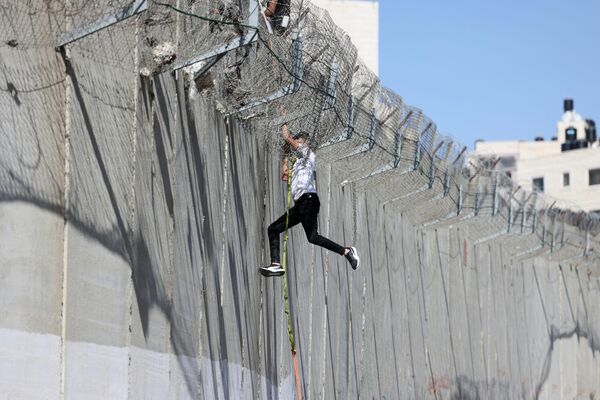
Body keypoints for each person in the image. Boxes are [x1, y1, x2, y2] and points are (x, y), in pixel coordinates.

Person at [259, 124, 360, 277]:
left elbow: (287, 137)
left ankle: (276, 264)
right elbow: (284, 176)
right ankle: (346, 252)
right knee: (303, 235)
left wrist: (283, 120)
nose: (296, 143)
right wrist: (285, 157)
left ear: (304, 142)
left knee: (279, 229)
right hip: (303, 203)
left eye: (298, 141)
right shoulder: (298, 163)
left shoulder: (308, 153)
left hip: (308, 200)